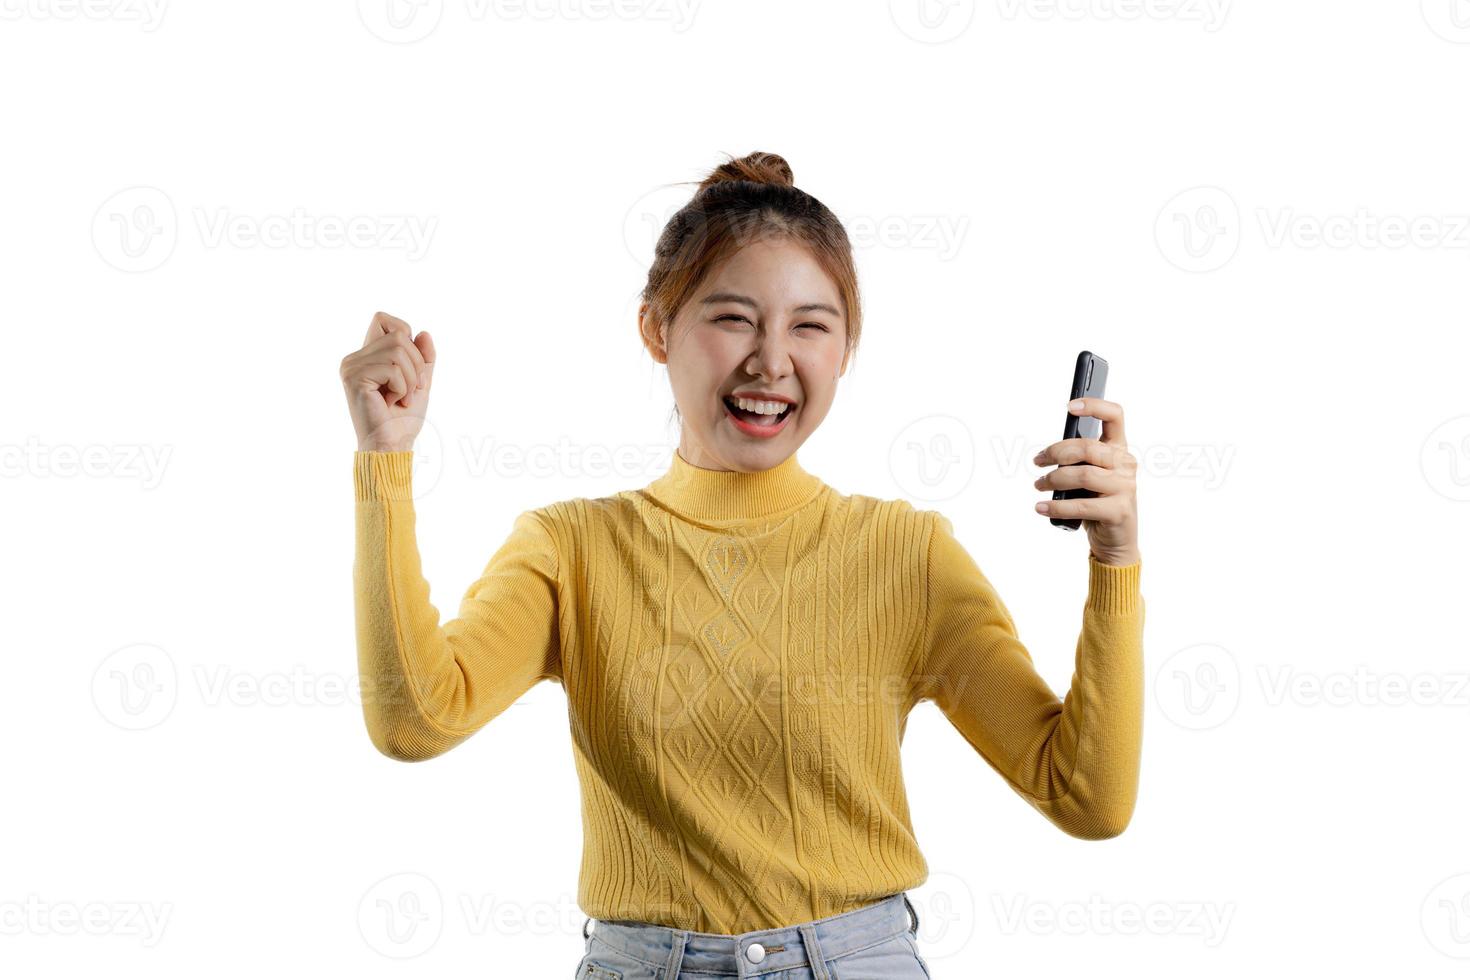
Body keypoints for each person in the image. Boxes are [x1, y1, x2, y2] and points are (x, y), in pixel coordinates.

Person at [339, 150, 1144, 978]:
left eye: (810, 325)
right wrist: (384, 463)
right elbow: (414, 721)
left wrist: (1116, 562)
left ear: (846, 347)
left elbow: (1087, 799)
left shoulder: (908, 556)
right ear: (657, 328)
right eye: (732, 318)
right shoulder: (570, 550)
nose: (770, 361)